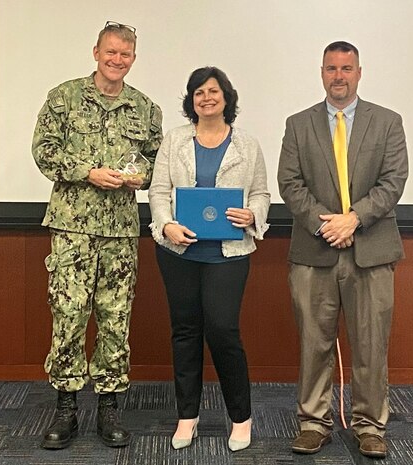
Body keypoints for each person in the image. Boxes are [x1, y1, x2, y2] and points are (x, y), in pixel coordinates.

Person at [32, 21, 162, 450]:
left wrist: (137, 177)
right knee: (68, 316)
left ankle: (109, 406)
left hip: (120, 232)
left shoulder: (145, 109)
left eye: (125, 55)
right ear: (96, 52)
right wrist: (87, 172)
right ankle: (66, 407)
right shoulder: (64, 97)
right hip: (72, 228)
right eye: (110, 52)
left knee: (114, 318)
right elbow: (44, 151)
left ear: (133, 58)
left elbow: (156, 165)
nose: (117, 60)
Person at [277, 41, 408, 458]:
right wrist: (326, 224)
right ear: (321, 73)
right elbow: (290, 184)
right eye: (332, 68)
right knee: (314, 343)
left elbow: (393, 181)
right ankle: (314, 423)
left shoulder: (387, 122)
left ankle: (370, 426)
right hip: (314, 252)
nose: (339, 75)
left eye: (346, 68)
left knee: (371, 344)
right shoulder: (298, 124)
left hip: (371, 250)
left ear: (359, 72)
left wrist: (354, 219)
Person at [148, 67, 270, 452]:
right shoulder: (175, 140)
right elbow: (158, 191)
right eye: (198, 92)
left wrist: (252, 215)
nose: (206, 98)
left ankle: (240, 418)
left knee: (222, 332)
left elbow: (262, 194)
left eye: (213, 91)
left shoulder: (247, 145)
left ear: (226, 97)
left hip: (228, 256)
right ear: (191, 100)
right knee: (185, 332)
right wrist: (166, 225)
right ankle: (188, 417)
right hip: (179, 253)